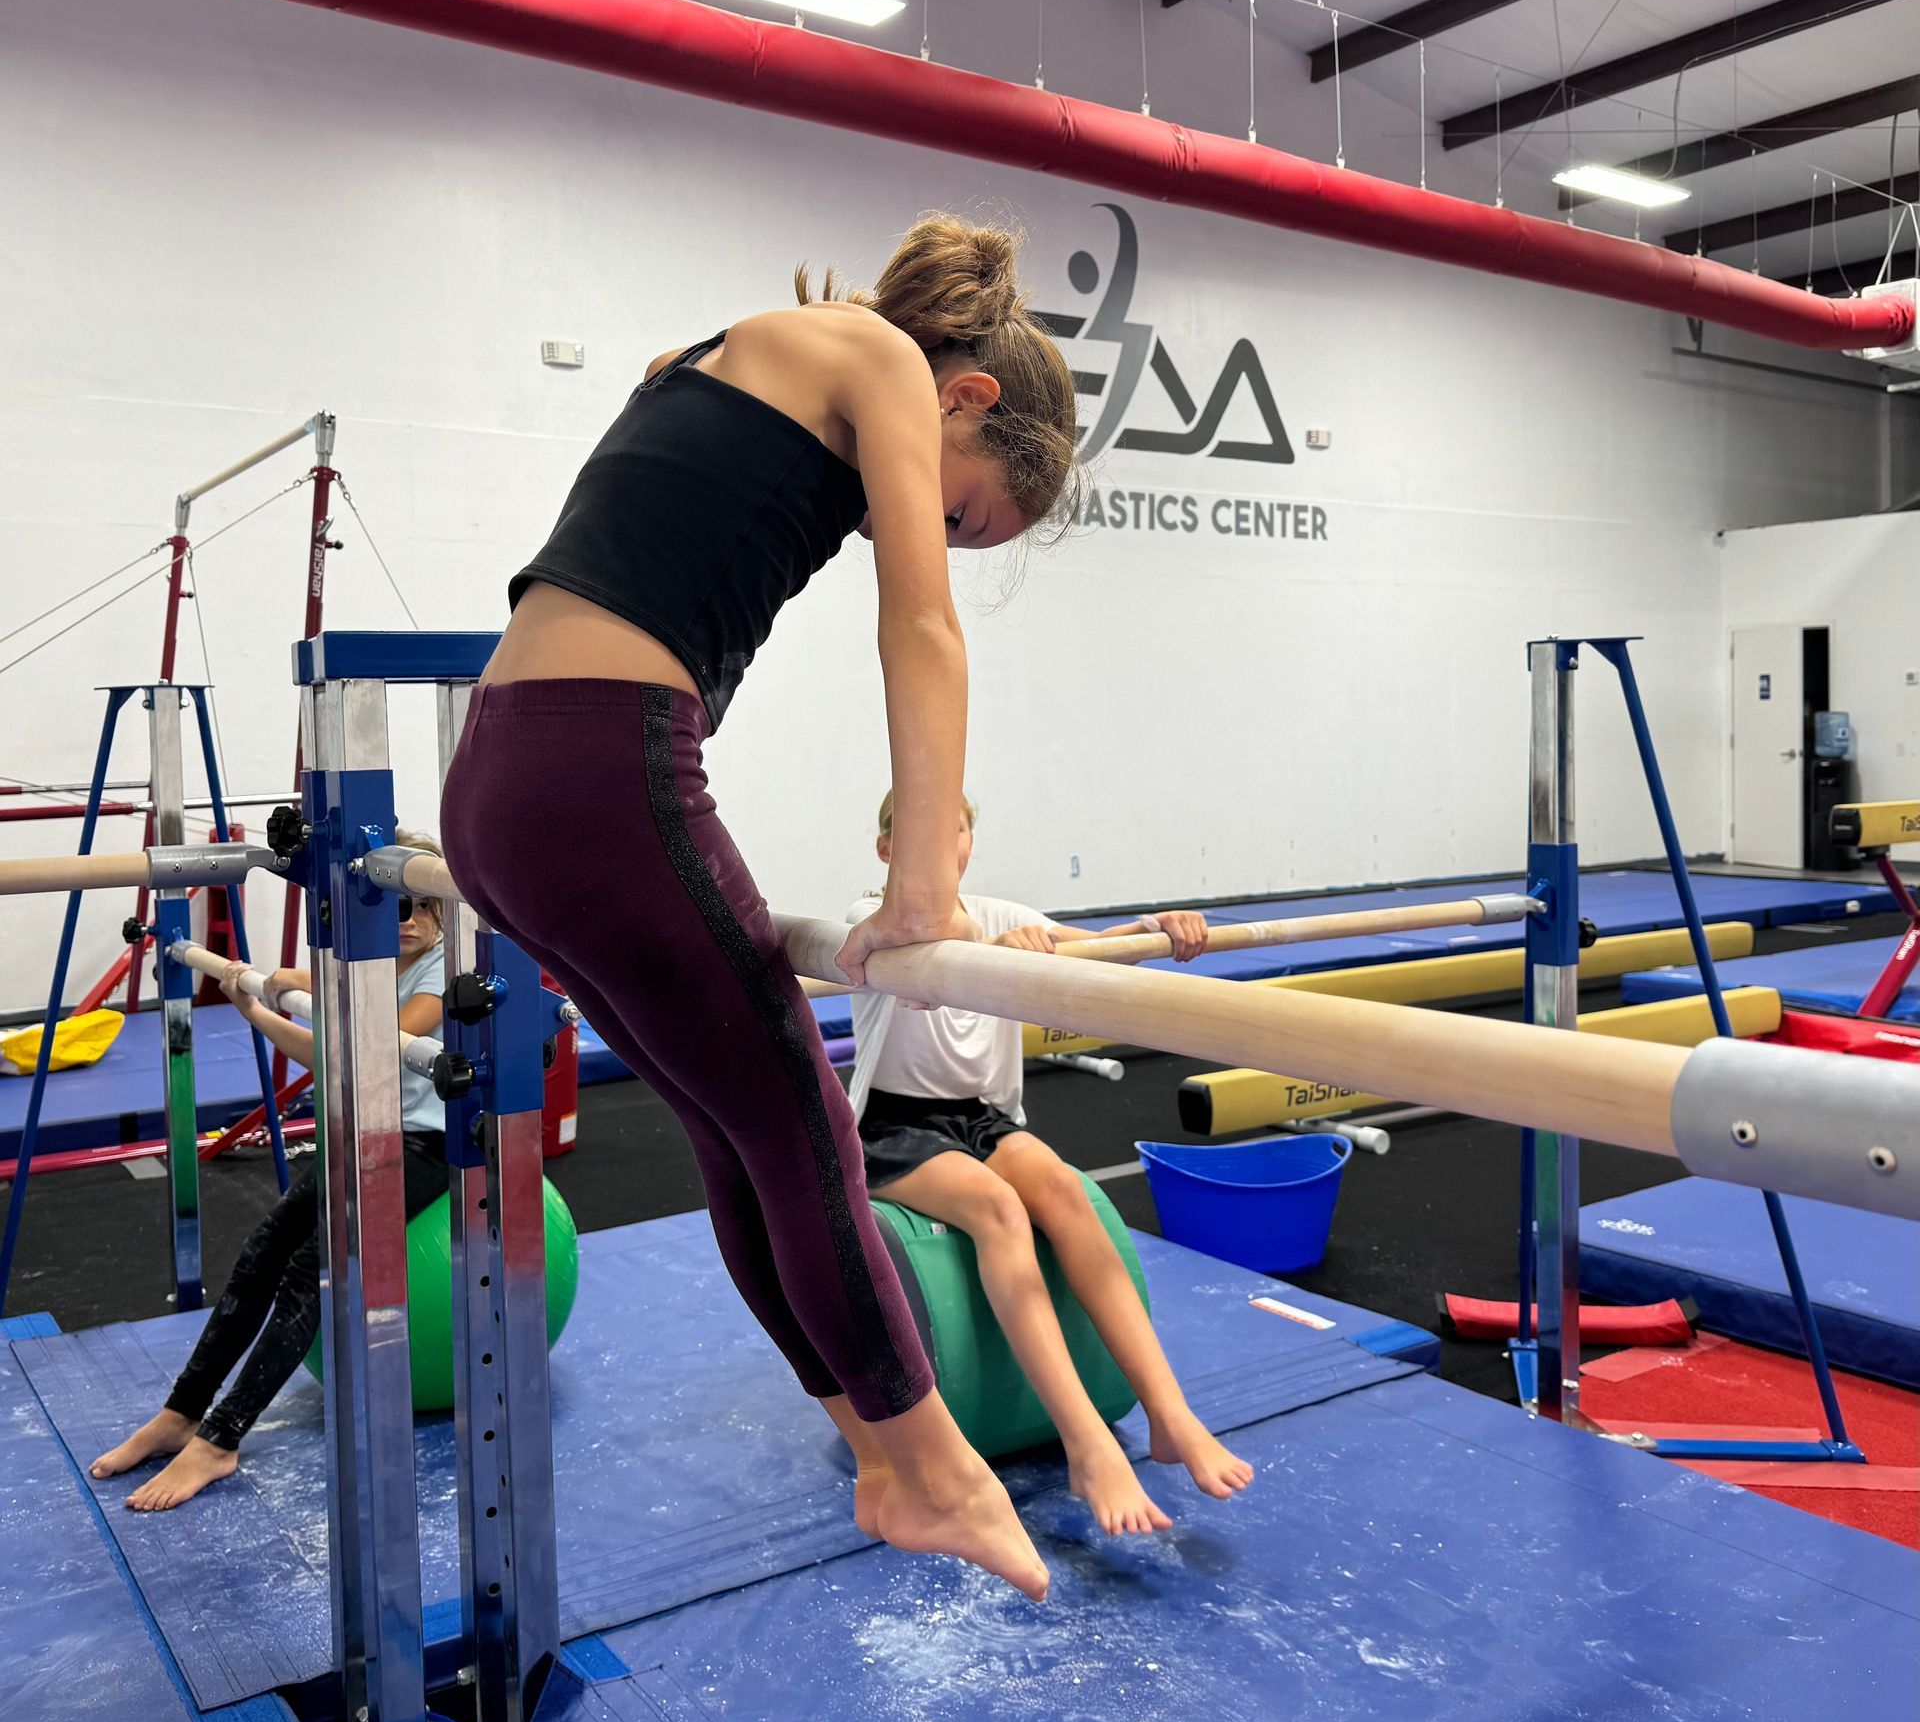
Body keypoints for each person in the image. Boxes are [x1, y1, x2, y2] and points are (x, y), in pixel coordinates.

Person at [440, 216, 1077, 1602]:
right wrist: (927, 887)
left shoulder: (714, 352)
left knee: (738, 1134)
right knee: (804, 1129)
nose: (934, 533)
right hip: (603, 771)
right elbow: (919, 627)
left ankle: (876, 1450)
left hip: (493, 786)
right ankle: (948, 1471)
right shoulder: (887, 365)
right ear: (965, 398)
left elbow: (655, 526)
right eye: (966, 513)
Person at [845, 791, 1255, 1536]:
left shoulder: (1004, 914)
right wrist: (989, 960)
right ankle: (1086, 1441)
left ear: (970, 843)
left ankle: (1168, 1413)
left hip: (981, 1120)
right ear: (885, 852)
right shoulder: (866, 919)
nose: (941, 845)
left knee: (1066, 1191)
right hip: (892, 1129)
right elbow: (915, 966)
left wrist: (1155, 929)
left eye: (955, 828)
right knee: (1000, 1212)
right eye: (920, 833)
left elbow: (1094, 950)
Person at [91, 832, 451, 1511]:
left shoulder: (438, 972)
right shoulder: (377, 963)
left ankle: (222, 1438)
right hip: (366, 1132)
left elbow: (383, 1041)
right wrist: (259, 1005)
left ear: (444, 918)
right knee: (259, 1255)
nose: (404, 924)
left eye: (420, 912)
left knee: (308, 1271)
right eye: (392, 909)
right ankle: (182, 1412)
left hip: (427, 1146)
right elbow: (330, 1056)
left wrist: (308, 980)